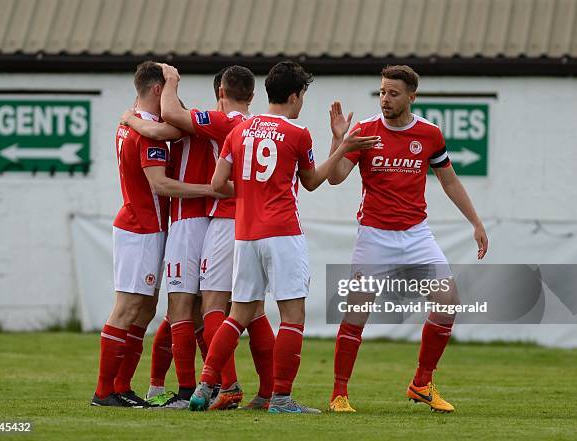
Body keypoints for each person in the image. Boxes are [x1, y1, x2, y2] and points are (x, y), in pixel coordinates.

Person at [188, 60, 379, 413]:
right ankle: (281, 399)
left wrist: (249, 191)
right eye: (303, 94)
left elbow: (217, 185)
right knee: (292, 316)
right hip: (282, 232)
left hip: (244, 234)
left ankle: (205, 385)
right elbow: (310, 181)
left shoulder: (240, 130)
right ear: (294, 95)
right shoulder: (297, 133)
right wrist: (342, 145)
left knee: (238, 315)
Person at [326, 65, 489, 413]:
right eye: (383, 92)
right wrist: (340, 139)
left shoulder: (429, 134)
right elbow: (336, 178)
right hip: (374, 235)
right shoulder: (365, 131)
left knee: (448, 302)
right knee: (356, 313)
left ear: (411, 97)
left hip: (416, 235)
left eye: (393, 93)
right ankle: (339, 394)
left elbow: (450, 181)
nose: (385, 98)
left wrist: (475, 221)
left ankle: (421, 383)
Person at [123, 65, 275, 410]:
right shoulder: (258, 126)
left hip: (193, 218)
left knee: (188, 307)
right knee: (241, 309)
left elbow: (163, 121)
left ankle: (195, 388)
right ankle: (260, 391)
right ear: (253, 95)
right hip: (240, 220)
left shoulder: (209, 121)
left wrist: (131, 117)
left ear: (219, 93)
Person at [91, 61, 216, 407]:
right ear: (159, 90)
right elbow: (160, 182)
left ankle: (121, 387)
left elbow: (170, 129)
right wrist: (211, 189)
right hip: (143, 227)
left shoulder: (134, 121)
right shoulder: (147, 130)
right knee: (128, 308)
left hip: (143, 225)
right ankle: (105, 391)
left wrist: (132, 117)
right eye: (173, 88)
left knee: (143, 310)